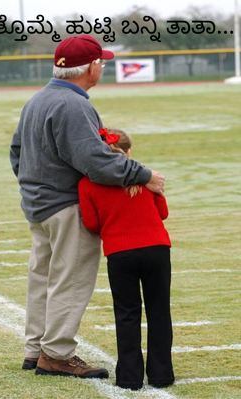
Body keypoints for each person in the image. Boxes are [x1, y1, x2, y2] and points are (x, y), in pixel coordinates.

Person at [10, 34, 165, 379]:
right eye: (102, 62)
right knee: (70, 279)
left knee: (43, 278)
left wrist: (35, 187)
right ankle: (56, 354)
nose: (103, 67)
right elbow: (97, 161)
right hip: (65, 207)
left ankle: (36, 348)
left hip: (38, 206)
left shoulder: (38, 99)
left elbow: (16, 152)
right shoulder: (73, 103)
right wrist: (144, 175)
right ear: (92, 67)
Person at [78, 128, 175, 389]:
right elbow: (162, 213)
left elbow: (91, 223)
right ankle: (162, 374)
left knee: (127, 313)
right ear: (128, 152)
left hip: (120, 252)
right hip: (157, 248)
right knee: (159, 311)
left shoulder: (87, 183)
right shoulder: (147, 177)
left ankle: (130, 377)